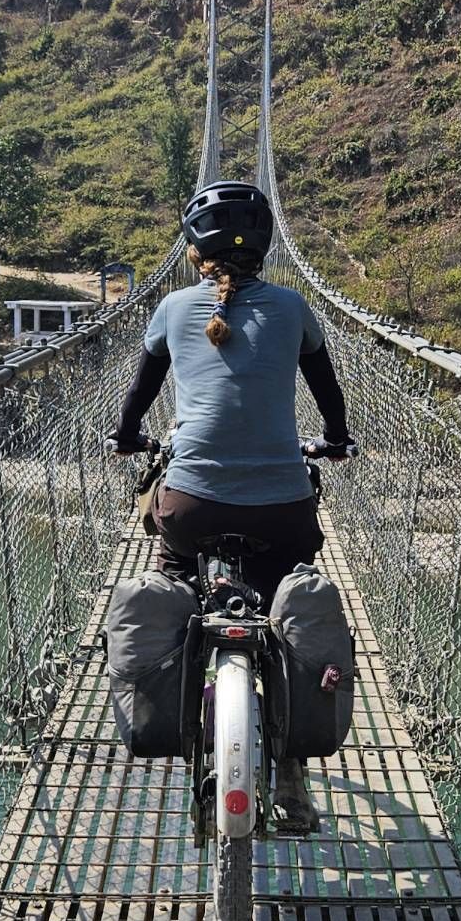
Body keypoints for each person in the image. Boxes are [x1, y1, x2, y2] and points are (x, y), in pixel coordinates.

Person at [112, 179, 353, 832]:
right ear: (264, 248)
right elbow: (329, 397)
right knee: (285, 605)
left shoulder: (171, 309)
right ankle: (293, 772)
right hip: (283, 509)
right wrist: (334, 441)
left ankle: (181, 692)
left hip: (191, 505)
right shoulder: (293, 307)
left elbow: (137, 399)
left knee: (171, 579)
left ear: (194, 251)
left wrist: (127, 436)